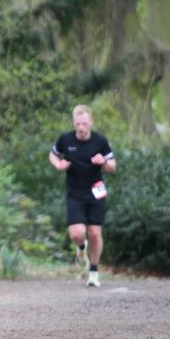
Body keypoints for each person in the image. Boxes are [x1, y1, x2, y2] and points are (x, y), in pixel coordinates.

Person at [49, 104, 116, 287]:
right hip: (75, 193)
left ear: (91, 122)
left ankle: (93, 272)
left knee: (94, 232)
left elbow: (113, 166)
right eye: (78, 123)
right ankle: (81, 248)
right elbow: (53, 155)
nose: (81, 127)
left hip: (96, 192)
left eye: (85, 123)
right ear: (74, 122)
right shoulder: (65, 139)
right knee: (78, 233)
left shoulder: (100, 141)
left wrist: (103, 162)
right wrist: (58, 164)